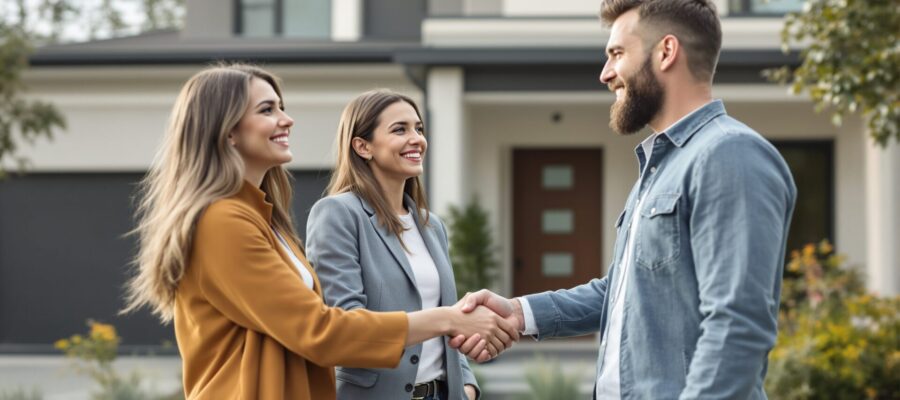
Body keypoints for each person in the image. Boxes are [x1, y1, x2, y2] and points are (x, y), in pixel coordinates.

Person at [453, 0, 797, 398]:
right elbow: (621, 291)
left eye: (617, 53)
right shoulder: (661, 167)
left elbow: (738, 324)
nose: (606, 74)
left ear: (666, 52)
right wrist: (519, 313)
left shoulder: (729, 155)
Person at [121, 64, 517, 400]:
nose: (287, 119)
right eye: (268, 109)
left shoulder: (263, 218)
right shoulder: (223, 222)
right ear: (228, 132)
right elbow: (321, 330)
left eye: (282, 107)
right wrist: (448, 319)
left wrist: (463, 383)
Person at [305, 89, 492, 400]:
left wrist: (467, 386)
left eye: (418, 128)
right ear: (362, 146)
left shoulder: (432, 225)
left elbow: (446, 315)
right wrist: (448, 319)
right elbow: (346, 325)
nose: (416, 139)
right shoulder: (338, 215)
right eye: (399, 129)